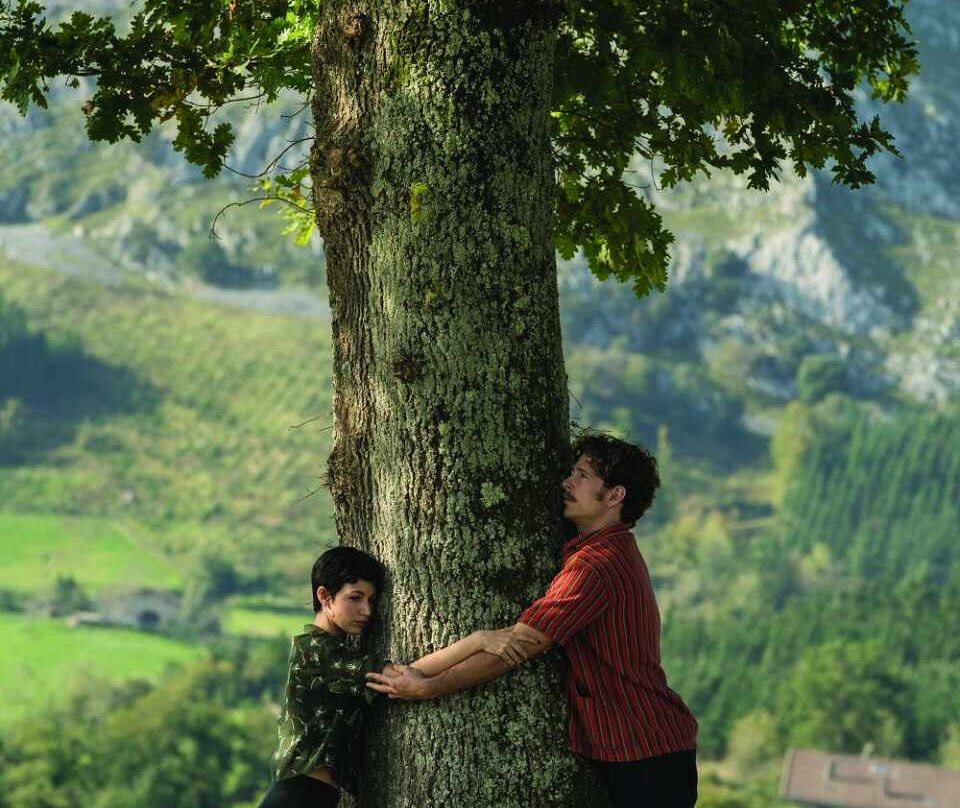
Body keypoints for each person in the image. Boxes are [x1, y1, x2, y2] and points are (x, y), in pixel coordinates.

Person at [366, 433, 699, 808]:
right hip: (642, 744)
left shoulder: (595, 564)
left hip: (643, 747)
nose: (566, 482)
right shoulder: (604, 550)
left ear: (615, 496)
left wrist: (428, 687)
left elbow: (517, 645)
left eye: (583, 475)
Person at [258, 545, 532, 808]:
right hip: (298, 795)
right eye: (355, 598)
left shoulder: (335, 651)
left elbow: (406, 673)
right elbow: (404, 676)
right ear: (324, 596)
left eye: (371, 600)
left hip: (310, 795)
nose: (366, 611)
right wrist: (478, 640)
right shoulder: (318, 649)